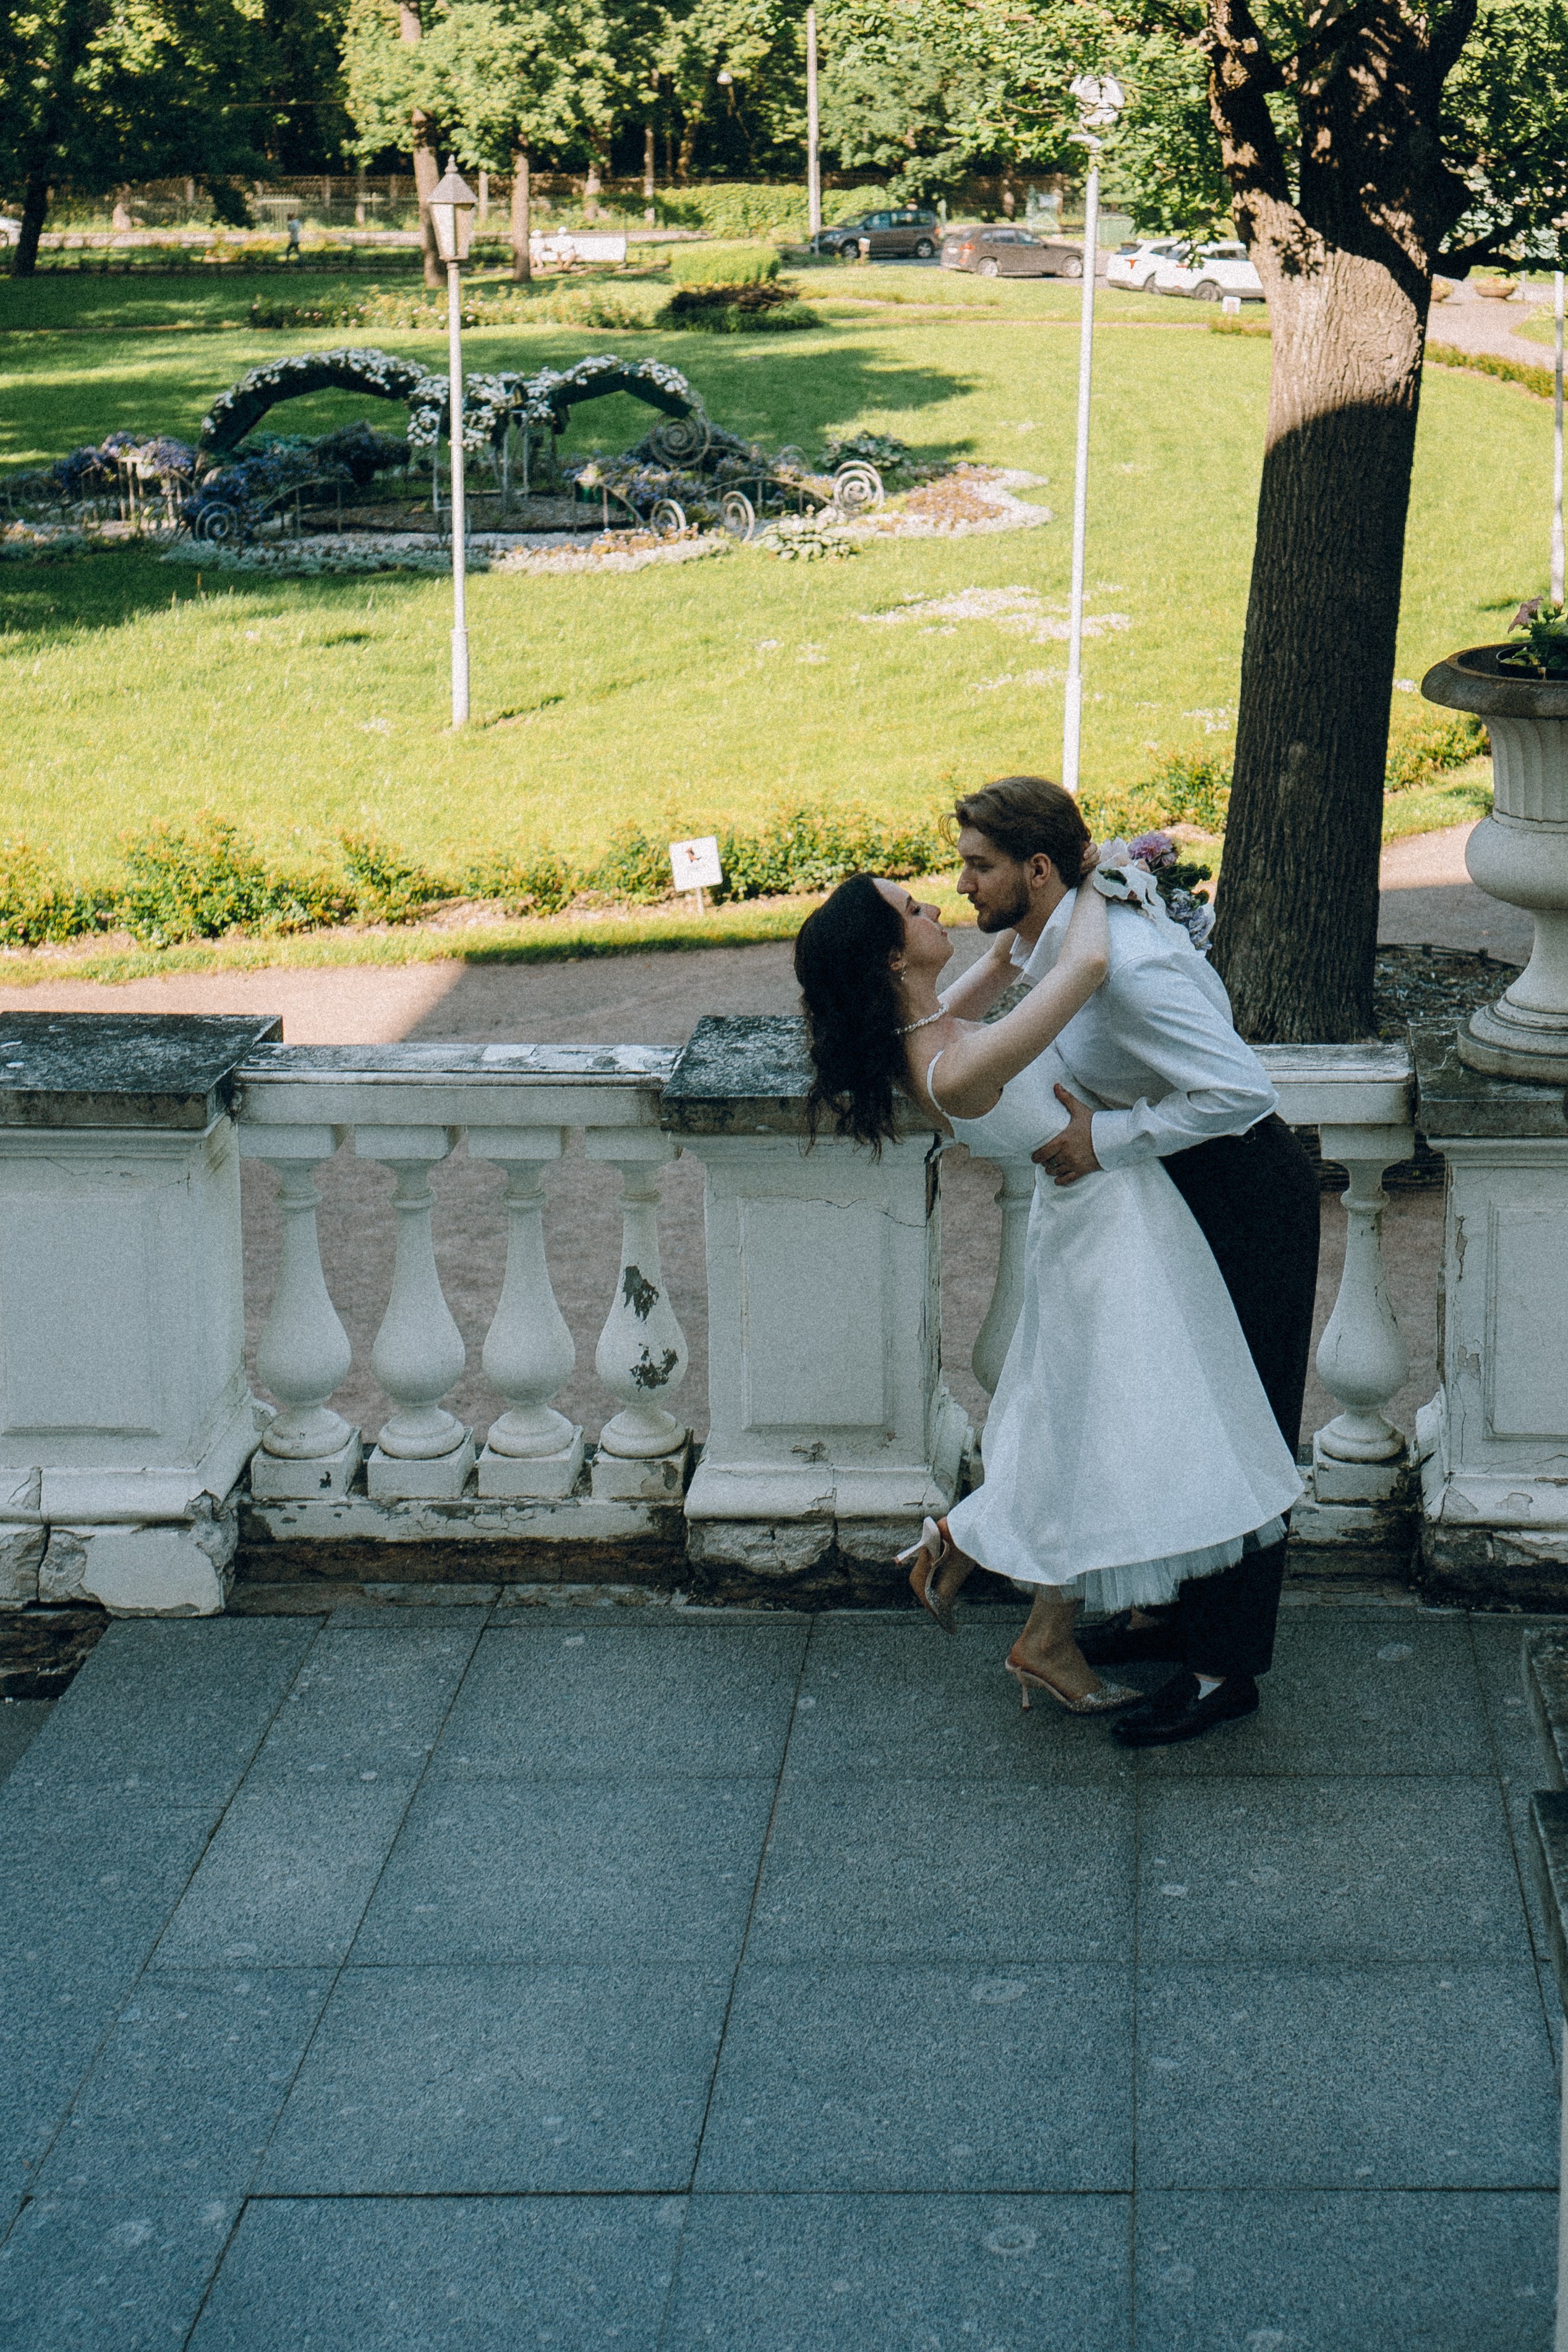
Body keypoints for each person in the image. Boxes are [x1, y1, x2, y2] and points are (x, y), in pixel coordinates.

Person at [793, 861, 1303, 1720]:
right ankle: (1025, 1605)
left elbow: (1010, 968)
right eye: (908, 908)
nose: (931, 902)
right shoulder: (952, 1066)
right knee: (1118, 1431)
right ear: (890, 958)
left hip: (1106, 1222)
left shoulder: (934, 1024)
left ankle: (989, 1567)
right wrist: (1100, 885)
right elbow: (1083, 973)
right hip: (1109, 1233)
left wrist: (1046, 902)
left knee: (1087, 1428)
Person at [939, 775, 1321, 1746]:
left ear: (1035, 868)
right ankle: (1175, 1617)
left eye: (980, 866)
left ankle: (1222, 1671)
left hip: (1244, 1197)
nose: (964, 884)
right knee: (1169, 1412)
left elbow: (1238, 1088)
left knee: (1236, 1421)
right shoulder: (1061, 937)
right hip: (1177, 1192)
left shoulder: (1130, 962)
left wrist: (1106, 1138)